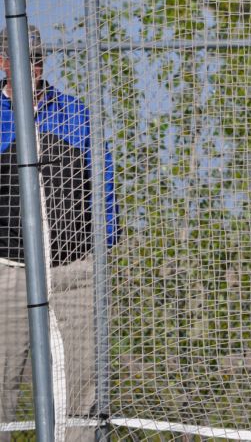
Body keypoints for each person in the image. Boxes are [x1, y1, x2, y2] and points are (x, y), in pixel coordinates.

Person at [0, 25, 118, 442]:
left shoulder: (74, 113)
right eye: (19, 59)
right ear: (3, 63)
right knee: (2, 379)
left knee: (82, 381)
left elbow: (103, 186)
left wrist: (103, 249)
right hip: (8, 272)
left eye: (35, 59)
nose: (30, 67)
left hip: (73, 271)